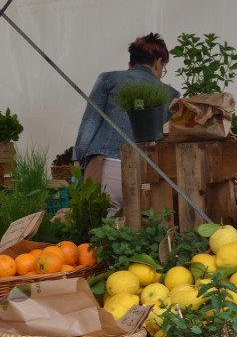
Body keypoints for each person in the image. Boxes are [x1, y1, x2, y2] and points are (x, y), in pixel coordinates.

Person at [73, 33, 179, 209]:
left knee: (103, 231)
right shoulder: (171, 94)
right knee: (141, 229)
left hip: (106, 166)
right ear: (159, 62)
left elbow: (89, 125)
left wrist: (78, 164)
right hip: (146, 173)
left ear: (131, 64)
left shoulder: (108, 79)